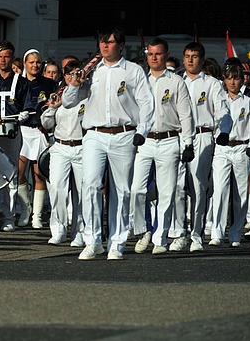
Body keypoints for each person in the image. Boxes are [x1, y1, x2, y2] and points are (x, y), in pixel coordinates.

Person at [62, 27, 155, 261]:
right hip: (94, 133)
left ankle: (117, 242)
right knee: (91, 185)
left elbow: (146, 102)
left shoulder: (132, 70)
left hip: (124, 133)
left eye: (110, 42)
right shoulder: (91, 70)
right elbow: (68, 102)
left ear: (120, 45)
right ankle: (93, 240)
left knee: (121, 191)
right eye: (102, 42)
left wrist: (142, 130)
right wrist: (75, 83)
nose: (105, 46)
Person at [129, 38, 195, 255]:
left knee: (166, 192)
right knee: (137, 189)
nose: (154, 58)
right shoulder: (140, 80)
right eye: (150, 54)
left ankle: (160, 237)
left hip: (169, 140)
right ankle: (143, 230)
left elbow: (185, 114)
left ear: (166, 55)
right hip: (145, 140)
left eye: (158, 54)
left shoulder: (176, 81)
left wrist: (188, 143)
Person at [171, 42, 231, 252]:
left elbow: (223, 111)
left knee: (198, 187)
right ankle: (179, 234)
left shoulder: (212, 84)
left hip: (202, 136)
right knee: (177, 186)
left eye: (194, 56)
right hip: (177, 137)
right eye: (187, 55)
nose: (189, 60)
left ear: (202, 59)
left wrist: (223, 131)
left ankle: (196, 235)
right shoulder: (176, 81)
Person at [0, 40, 28, 232]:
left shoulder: (21, 82)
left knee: (11, 173)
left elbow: (27, 105)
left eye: (6, 56)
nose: (3, 60)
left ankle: (9, 217)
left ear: (12, 58)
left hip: (12, 132)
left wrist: (24, 114)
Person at [208, 62, 250, 247]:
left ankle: (235, 233)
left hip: (242, 148)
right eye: (229, 78)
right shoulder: (219, 99)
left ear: (241, 79)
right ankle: (217, 232)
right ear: (224, 80)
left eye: (236, 78)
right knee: (219, 189)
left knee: (241, 194)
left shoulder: (248, 101)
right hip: (222, 148)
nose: (232, 82)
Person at [40, 58, 85, 246]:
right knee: (57, 188)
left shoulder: (87, 95)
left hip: (82, 147)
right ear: (64, 76)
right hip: (60, 146)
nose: (72, 77)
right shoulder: (58, 95)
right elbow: (46, 124)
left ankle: (79, 232)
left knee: (82, 193)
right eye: (69, 74)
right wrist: (52, 109)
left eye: (76, 73)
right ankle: (58, 229)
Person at [18, 49, 56, 229]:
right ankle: (25, 210)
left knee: (39, 174)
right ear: (25, 64)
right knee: (19, 173)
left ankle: (37, 216)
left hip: (39, 131)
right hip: (22, 131)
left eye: (38, 62)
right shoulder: (18, 82)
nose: (35, 65)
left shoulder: (49, 84)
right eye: (31, 62)